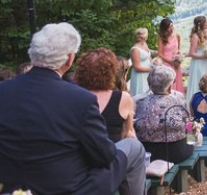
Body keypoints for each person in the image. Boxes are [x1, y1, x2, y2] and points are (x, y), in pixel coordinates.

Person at [0, 23, 145, 195]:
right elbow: (104, 156)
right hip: (70, 189)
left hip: (12, 187)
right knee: (133, 147)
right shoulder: (80, 100)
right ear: (69, 59)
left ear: (32, 53)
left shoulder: (4, 91)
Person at [134, 65, 193, 164]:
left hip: (147, 153)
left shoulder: (137, 100)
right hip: (175, 152)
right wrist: (193, 140)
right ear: (170, 86)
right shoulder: (178, 97)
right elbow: (188, 123)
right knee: (193, 136)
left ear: (150, 83)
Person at [76, 47, 136, 143]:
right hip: (112, 153)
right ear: (112, 72)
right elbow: (128, 133)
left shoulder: (74, 96)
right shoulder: (123, 98)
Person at [186, 15, 207, 105]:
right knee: (199, 82)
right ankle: (196, 105)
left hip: (206, 63)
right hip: (198, 63)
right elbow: (192, 53)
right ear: (202, 24)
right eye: (206, 22)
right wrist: (204, 56)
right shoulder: (195, 36)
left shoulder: (206, 34)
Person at [158, 17, 184, 92]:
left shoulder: (177, 35)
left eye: (172, 26)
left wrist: (179, 58)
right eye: (169, 27)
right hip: (167, 64)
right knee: (168, 84)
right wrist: (171, 62)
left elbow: (178, 49)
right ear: (164, 28)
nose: (171, 28)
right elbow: (160, 53)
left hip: (176, 64)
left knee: (177, 82)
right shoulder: (161, 37)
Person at [130, 27, 153, 96]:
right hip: (140, 75)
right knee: (141, 92)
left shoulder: (144, 44)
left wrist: (154, 64)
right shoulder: (135, 49)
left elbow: (148, 56)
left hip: (147, 74)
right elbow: (136, 67)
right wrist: (152, 70)